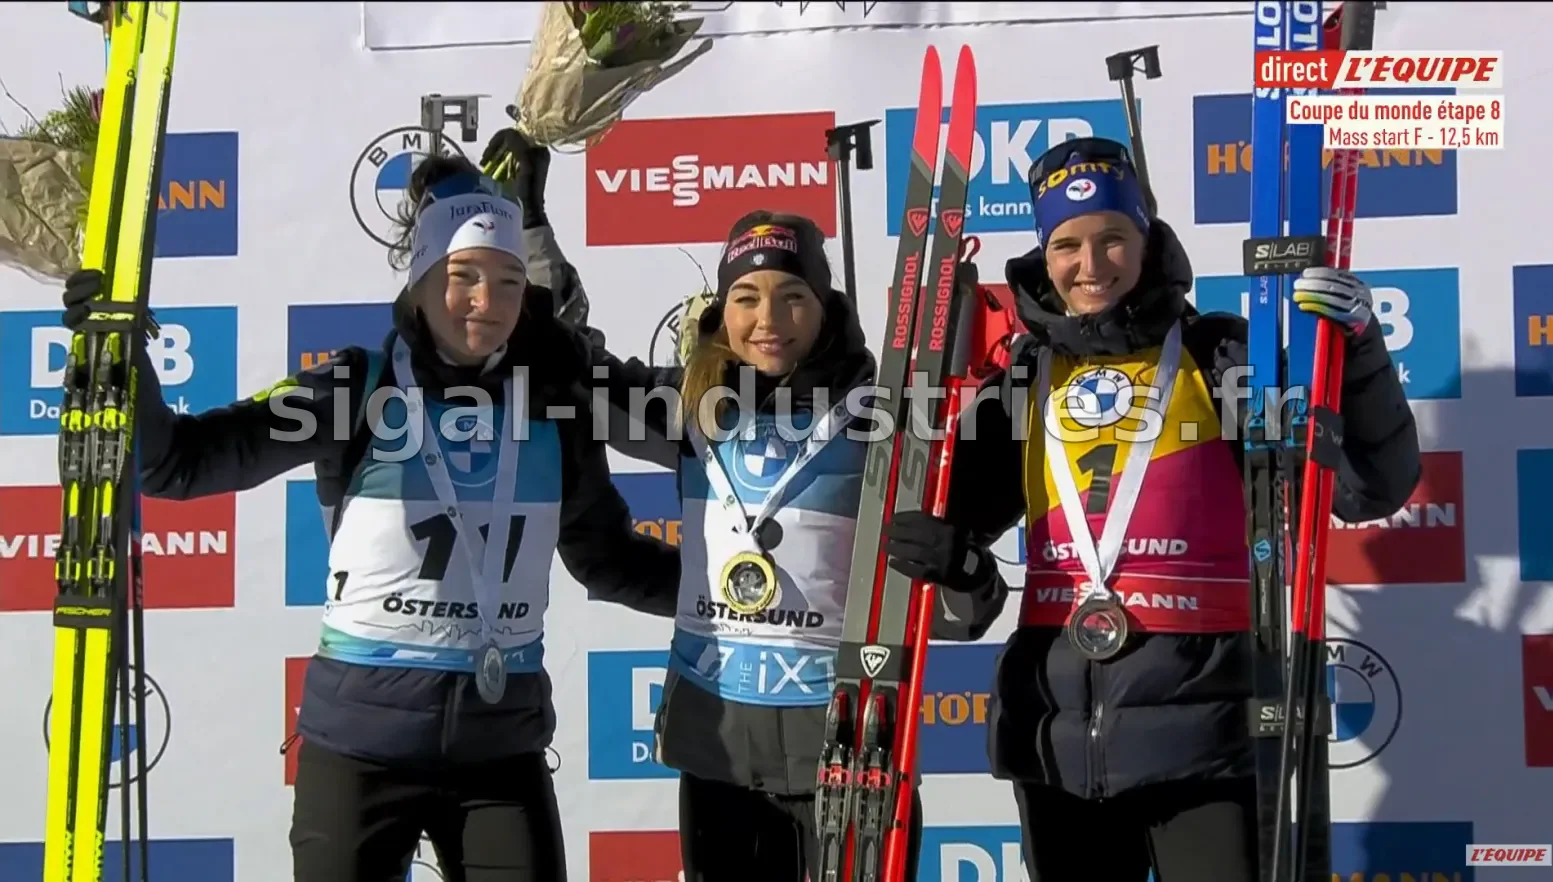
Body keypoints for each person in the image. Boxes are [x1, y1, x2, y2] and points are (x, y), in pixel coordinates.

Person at [59, 148, 680, 882]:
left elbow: (606, 558)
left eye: (510, 282)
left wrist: (740, 599)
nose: (487, 300)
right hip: (360, 751)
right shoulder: (359, 389)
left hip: (498, 754)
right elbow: (180, 462)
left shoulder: (554, 402)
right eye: (464, 277)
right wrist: (118, 353)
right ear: (419, 283)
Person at [878, 138, 1421, 882]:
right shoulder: (1025, 379)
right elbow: (958, 577)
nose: (1091, 264)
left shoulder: (1220, 354)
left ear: (1147, 240)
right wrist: (949, 555)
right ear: (1044, 254)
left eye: (1112, 238)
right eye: (1067, 244)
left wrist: (1355, 351)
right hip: (1054, 739)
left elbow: (1366, 487)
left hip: (1207, 735)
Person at [515, 186, 1004, 878]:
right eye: (746, 297)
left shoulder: (884, 421)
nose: (768, 319)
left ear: (825, 307)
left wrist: (964, 570)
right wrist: (529, 226)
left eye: (792, 297)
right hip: (719, 755)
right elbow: (572, 360)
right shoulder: (691, 407)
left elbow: (957, 614)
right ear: (723, 311)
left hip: (851, 754)